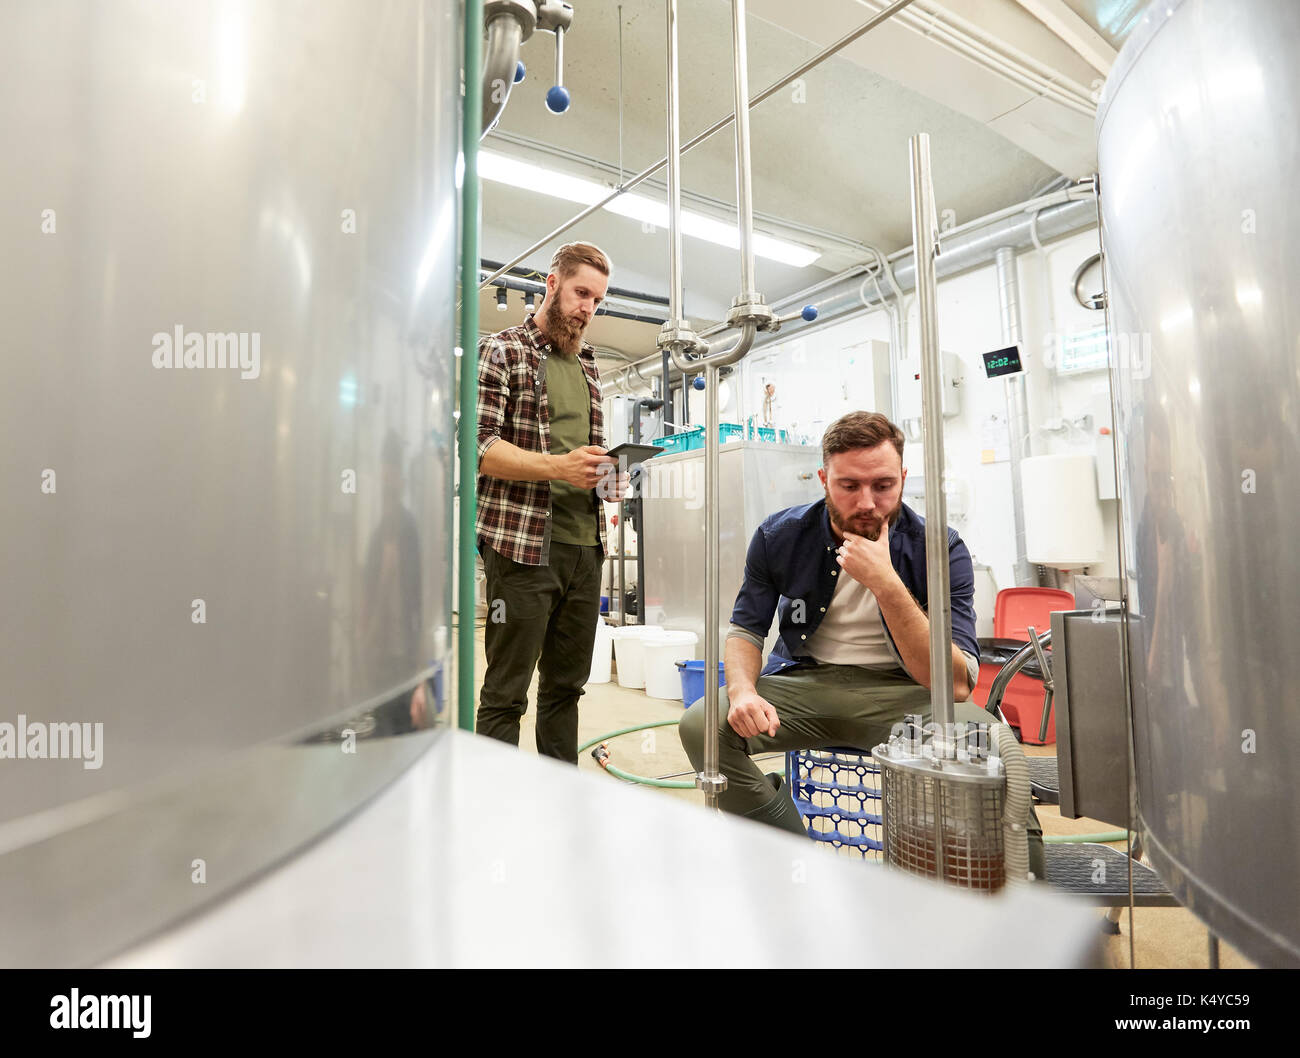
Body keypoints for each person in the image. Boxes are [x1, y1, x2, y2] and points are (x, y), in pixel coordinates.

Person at [679, 410, 999, 834]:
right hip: (805, 683)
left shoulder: (941, 548)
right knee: (701, 726)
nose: (867, 502)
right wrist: (741, 693)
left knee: (994, 750)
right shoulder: (779, 536)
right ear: (823, 478)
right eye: (849, 485)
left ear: (903, 477)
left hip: (907, 695)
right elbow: (746, 629)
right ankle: (789, 856)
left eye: (883, 485)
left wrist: (887, 585)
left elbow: (956, 685)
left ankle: (1014, 891)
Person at [475, 242, 627, 762]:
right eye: (582, 292)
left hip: (585, 549)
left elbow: (588, 457)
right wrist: (557, 466)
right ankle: (495, 805)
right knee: (505, 693)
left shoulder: (588, 364)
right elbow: (478, 447)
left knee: (566, 688)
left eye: (597, 300)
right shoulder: (503, 350)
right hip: (522, 549)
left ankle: (558, 801)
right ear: (552, 283)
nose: (588, 308)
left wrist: (610, 480)